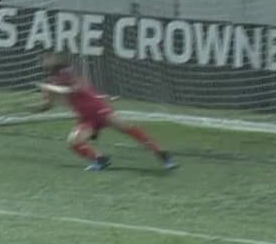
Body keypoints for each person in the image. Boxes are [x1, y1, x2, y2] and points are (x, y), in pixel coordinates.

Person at [34, 53, 176, 171]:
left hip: (100, 110)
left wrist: (49, 88)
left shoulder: (67, 73)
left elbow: (72, 90)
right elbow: (48, 104)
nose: (45, 62)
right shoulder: (50, 83)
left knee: (129, 129)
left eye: (48, 59)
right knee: (74, 142)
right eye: (44, 61)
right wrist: (35, 108)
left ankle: (162, 154)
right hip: (86, 119)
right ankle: (100, 159)